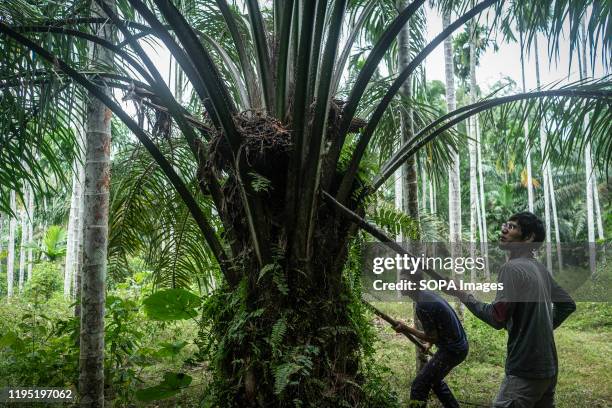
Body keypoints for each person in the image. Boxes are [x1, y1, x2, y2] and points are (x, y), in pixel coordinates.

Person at [452, 212, 576, 408]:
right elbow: (567, 304)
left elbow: (497, 317)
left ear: (529, 238)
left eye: (512, 227)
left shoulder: (511, 269)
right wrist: (537, 328)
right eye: (505, 225)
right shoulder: (538, 268)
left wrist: (464, 296)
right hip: (548, 368)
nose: (503, 229)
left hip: (525, 370)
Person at [394, 287, 468, 408]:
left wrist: (405, 328)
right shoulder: (425, 295)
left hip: (453, 350)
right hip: (458, 347)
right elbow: (438, 326)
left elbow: (432, 336)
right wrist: (429, 344)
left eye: (405, 281)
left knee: (419, 386)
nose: (401, 284)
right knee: (435, 381)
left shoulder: (423, 305)